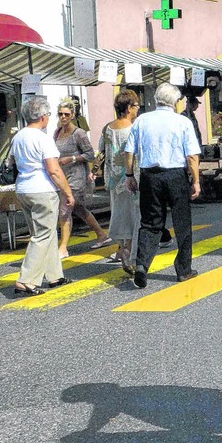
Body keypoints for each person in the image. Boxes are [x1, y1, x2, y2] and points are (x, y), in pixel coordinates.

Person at [124, 82, 201, 289]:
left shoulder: (142, 120)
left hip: (150, 176)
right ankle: (183, 269)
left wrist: (130, 174)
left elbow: (129, 151)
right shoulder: (182, 122)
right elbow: (192, 156)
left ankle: (142, 265)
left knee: (150, 223)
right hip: (175, 174)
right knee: (182, 222)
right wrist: (196, 180)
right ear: (175, 102)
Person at [10, 96, 74, 295]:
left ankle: (54, 275)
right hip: (42, 189)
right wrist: (68, 192)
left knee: (44, 233)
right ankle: (26, 279)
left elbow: (13, 162)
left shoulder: (18, 136)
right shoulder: (43, 138)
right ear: (43, 116)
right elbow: (53, 169)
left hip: (24, 188)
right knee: (43, 235)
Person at [54, 99, 110, 259]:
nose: (63, 117)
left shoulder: (78, 133)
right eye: (60, 114)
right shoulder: (57, 132)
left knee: (64, 210)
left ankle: (63, 247)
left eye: (66, 114)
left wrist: (71, 158)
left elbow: (90, 154)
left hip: (77, 177)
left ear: (72, 115)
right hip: (63, 176)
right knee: (77, 208)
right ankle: (101, 234)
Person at [100, 90, 140, 275]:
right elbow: (134, 152)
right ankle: (128, 250)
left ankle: (121, 246)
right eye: (136, 105)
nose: (138, 109)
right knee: (133, 215)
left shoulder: (107, 128)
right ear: (129, 108)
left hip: (112, 179)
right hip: (130, 177)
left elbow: (101, 150)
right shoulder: (133, 128)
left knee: (118, 213)